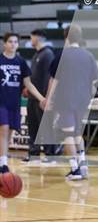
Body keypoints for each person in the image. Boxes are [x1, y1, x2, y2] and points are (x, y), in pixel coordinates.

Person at [45, 25, 98, 181]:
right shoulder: (89, 55)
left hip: (65, 99)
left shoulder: (61, 55)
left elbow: (54, 80)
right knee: (77, 133)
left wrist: (48, 99)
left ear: (65, 36)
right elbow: (94, 81)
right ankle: (83, 166)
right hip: (82, 100)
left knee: (68, 134)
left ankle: (75, 169)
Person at [0, 33, 46, 173]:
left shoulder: (20, 62)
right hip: (1, 102)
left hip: (14, 103)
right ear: (4, 44)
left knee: (9, 134)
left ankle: (2, 158)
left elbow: (28, 84)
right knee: (4, 129)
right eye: (10, 41)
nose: (13, 44)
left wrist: (41, 98)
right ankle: (3, 164)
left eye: (15, 42)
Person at [23, 29, 55, 163]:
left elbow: (51, 77)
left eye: (32, 37)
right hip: (33, 97)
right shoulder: (36, 54)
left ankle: (50, 154)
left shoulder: (47, 54)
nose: (31, 39)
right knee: (33, 126)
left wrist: (46, 97)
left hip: (42, 98)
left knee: (46, 126)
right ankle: (34, 153)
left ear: (39, 37)